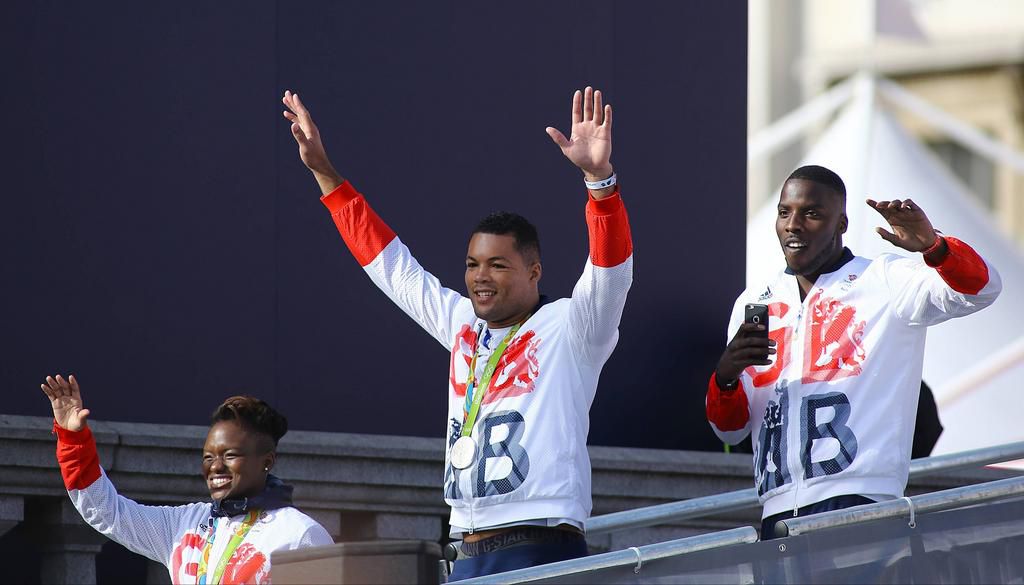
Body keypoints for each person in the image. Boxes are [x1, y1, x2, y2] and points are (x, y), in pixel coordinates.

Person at [282, 86, 632, 578]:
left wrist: (600, 183)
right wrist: (324, 172)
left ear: (534, 271)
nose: (479, 277)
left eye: (497, 265)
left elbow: (611, 270)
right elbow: (391, 267)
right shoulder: (463, 324)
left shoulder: (573, 326)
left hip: (541, 543)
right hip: (465, 546)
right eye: (471, 265)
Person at [705, 165, 1001, 540]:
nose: (793, 224)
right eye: (784, 212)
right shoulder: (753, 302)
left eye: (811, 213)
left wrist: (934, 247)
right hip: (776, 513)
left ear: (841, 223)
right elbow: (729, 430)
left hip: (861, 503)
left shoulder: (884, 279)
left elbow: (983, 288)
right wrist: (725, 377)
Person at [40, 374, 333, 584]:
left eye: (230, 456)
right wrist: (73, 439)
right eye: (208, 457)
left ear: (266, 461)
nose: (216, 467)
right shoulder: (184, 524)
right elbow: (107, 512)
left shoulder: (300, 535)